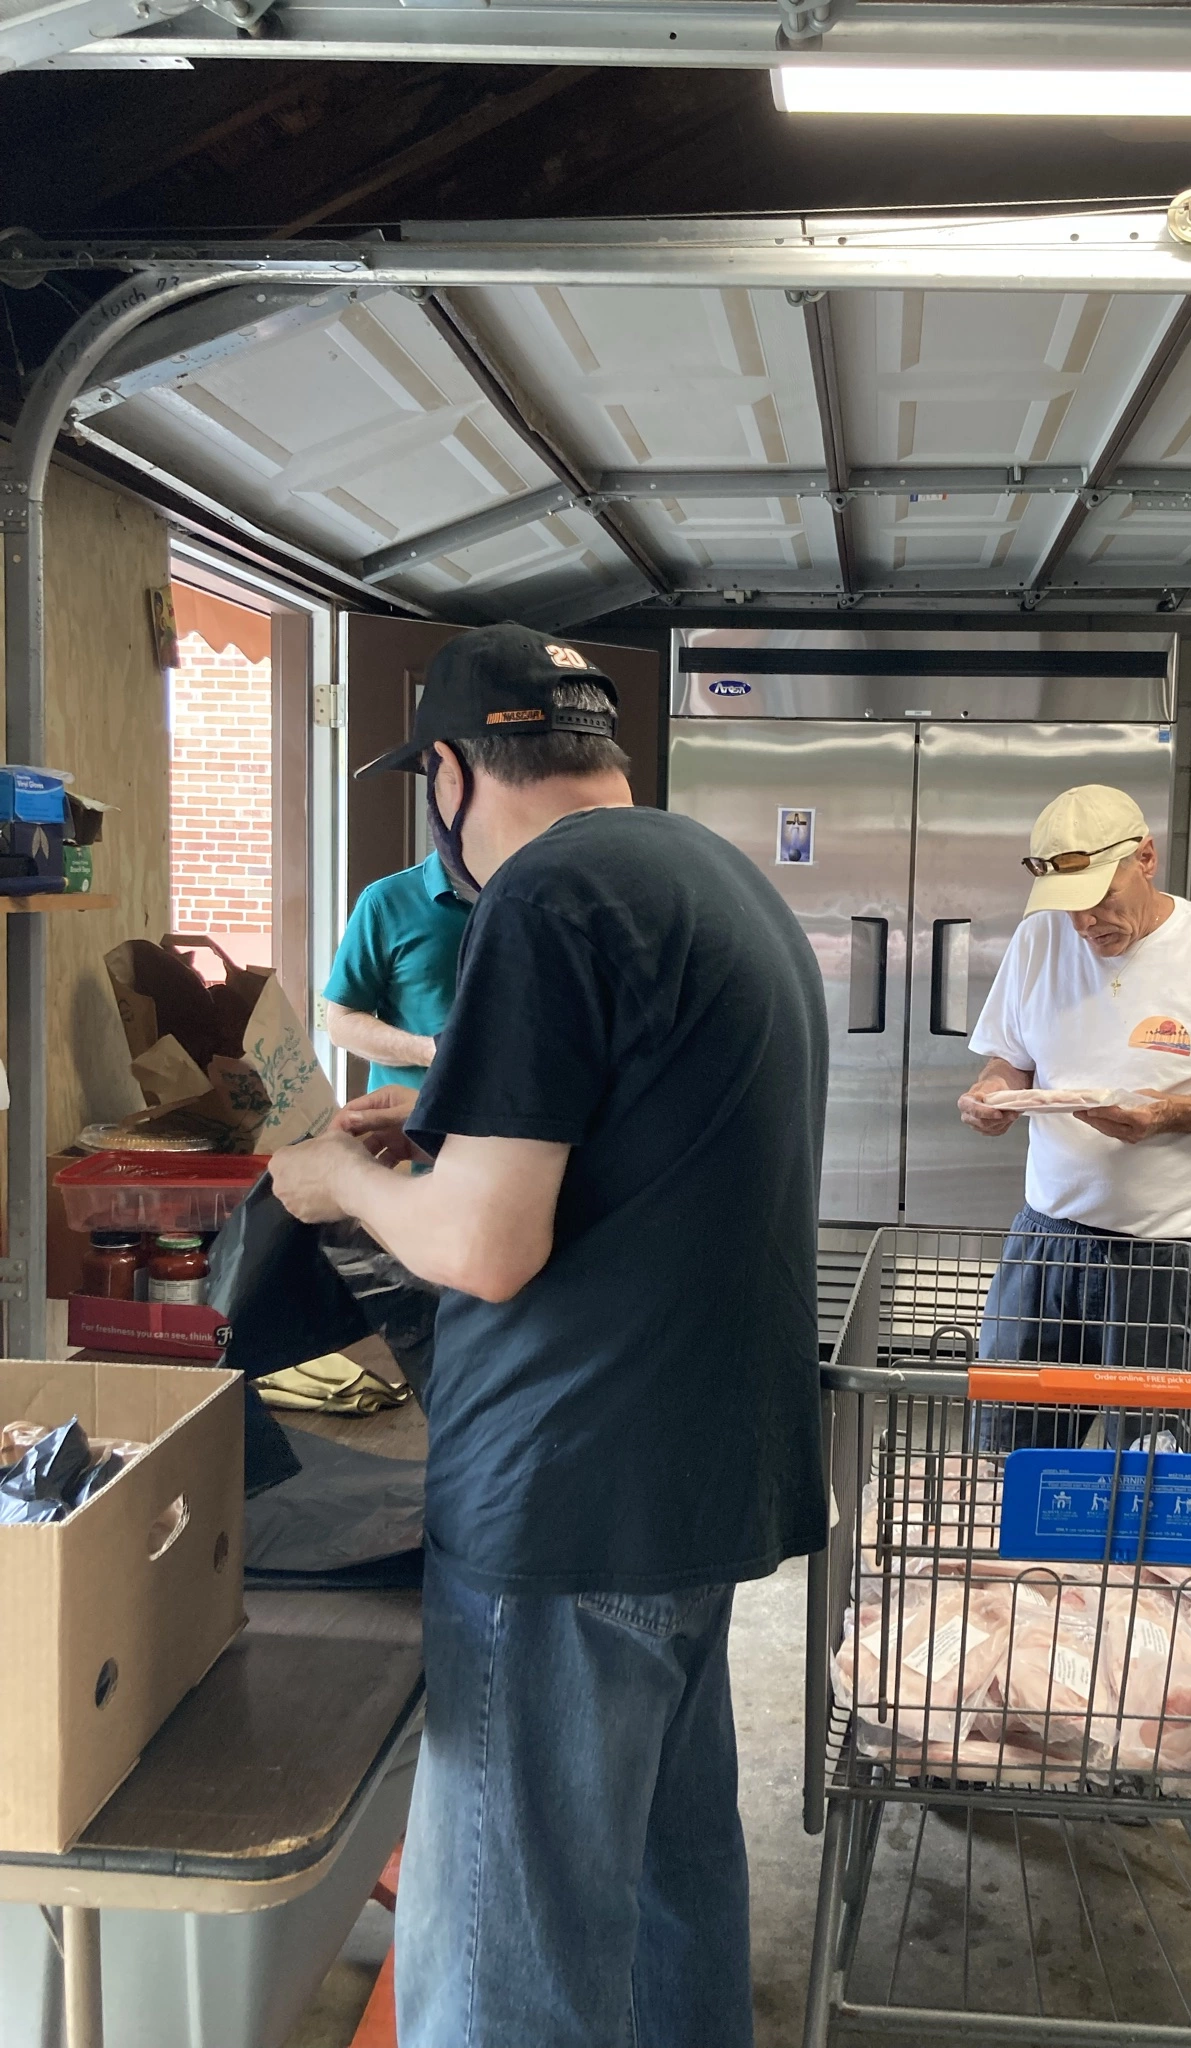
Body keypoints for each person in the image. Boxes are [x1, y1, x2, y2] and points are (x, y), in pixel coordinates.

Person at [268, 621, 829, 2048]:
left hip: (567, 1504)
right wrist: (443, 1106)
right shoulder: (709, 876)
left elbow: (483, 1244)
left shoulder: (547, 896)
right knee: (662, 1892)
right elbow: (636, 1131)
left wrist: (337, 1177)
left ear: (451, 771)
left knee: (509, 1961)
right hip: (699, 1478)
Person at [957, 784, 1191, 1446]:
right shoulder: (1040, 940)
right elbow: (1009, 1060)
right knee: (1013, 1456)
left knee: (1155, 1470)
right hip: (1048, 1243)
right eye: (1068, 908)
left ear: (1146, 859)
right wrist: (992, 1094)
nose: (1084, 923)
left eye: (1100, 899)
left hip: (1171, 1258)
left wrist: (1173, 1114)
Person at [323, 850, 471, 1090]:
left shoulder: (535, 900)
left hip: (515, 1120)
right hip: (407, 1121)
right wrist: (431, 1051)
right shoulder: (385, 901)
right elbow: (341, 1022)